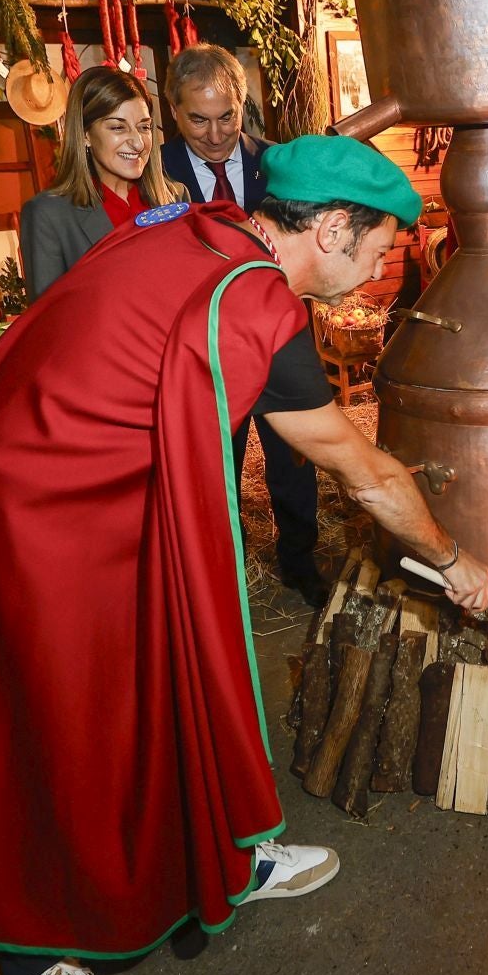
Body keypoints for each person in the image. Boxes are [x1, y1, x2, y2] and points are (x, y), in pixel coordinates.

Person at [0, 134, 488, 975]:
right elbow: (363, 469)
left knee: (173, 672)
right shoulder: (254, 300)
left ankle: (227, 854)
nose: (384, 269)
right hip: (33, 500)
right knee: (67, 717)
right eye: (381, 247)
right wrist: (452, 558)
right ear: (334, 229)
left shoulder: (219, 235)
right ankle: (24, 969)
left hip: (92, 480)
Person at [158, 44, 327, 606]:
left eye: (226, 116)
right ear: (173, 112)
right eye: (198, 120)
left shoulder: (279, 165)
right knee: (215, 466)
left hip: (281, 342)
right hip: (203, 353)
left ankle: (300, 560)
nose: (214, 134)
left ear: (242, 103)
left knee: (295, 462)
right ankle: (221, 574)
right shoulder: (155, 173)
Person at [18, 66, 180, 297]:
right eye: (117, 127)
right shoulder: (49, 214)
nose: (138, 143)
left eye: (144, 127)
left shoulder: (175, 198)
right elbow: (48, 323)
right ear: (85, 134)